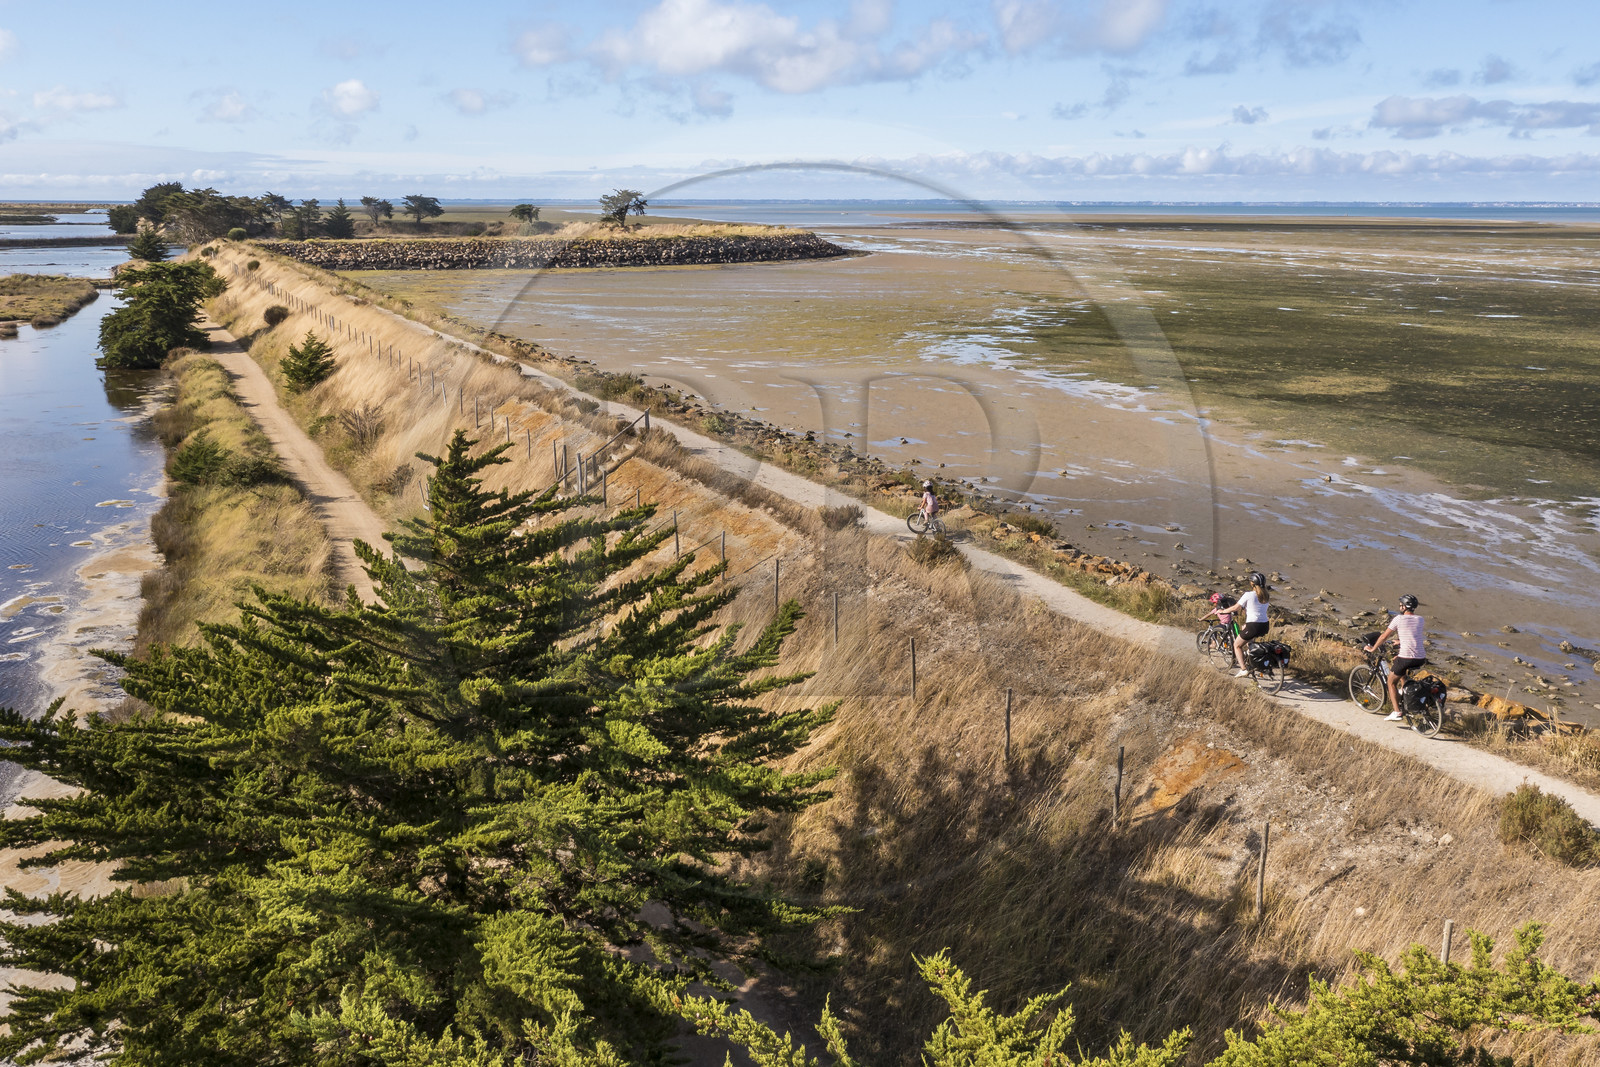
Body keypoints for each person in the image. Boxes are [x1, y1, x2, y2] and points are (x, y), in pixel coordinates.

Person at [1367, 594, 1426, 722]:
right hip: (1420, 657)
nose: (1400, 607)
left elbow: (1383, 637)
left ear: (1405, 606)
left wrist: (1373, 649)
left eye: (1401, 605)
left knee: (1391, 682)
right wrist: (1400, 641)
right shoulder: (1420, 619)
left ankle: (1396, 712)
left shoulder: (1398, 619)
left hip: (1407, 657)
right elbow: (1413, 634)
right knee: (1401, 671)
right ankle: (1405, 695)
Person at [1229, 572, 1272, 677]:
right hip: (1264, 625)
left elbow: (1235, 608)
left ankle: (1243, 669)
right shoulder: (1266, 595)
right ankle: (1250, 654)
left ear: (1252, 583)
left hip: (1254, 625)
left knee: (1237, 645)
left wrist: (1222, 611)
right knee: (1245, 628)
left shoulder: (1248, 595)